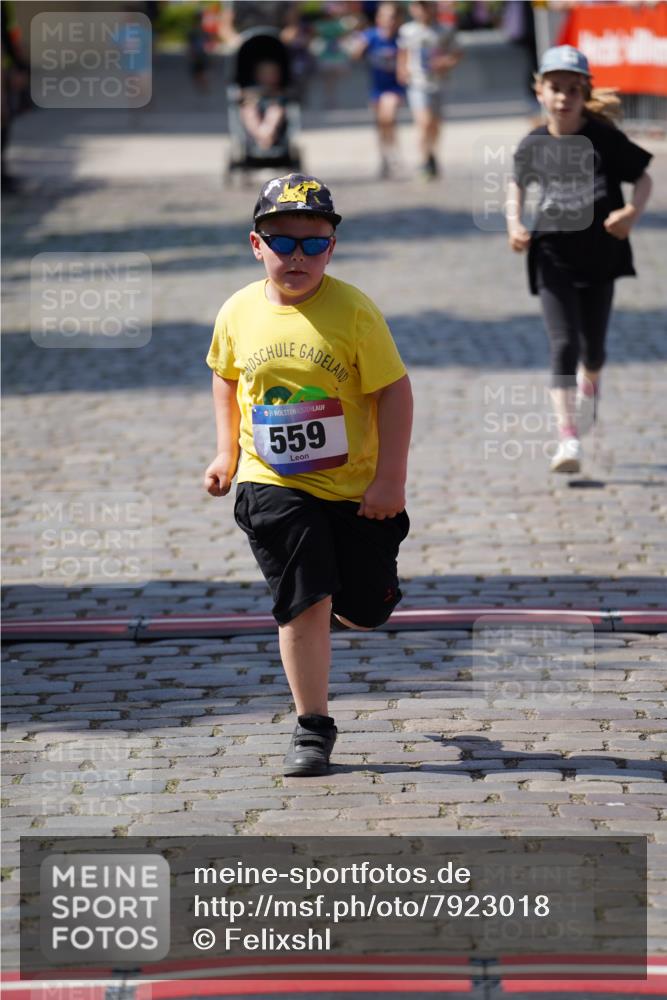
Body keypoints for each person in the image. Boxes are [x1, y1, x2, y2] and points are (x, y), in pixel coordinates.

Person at [203, 173, 412, 777]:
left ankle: (342, 607)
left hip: (354, 489)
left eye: (313, 243)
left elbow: (395, 392)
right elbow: (226, 376)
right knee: (305, 599)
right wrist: (226, 453)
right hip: (272, 481)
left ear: (332, 248)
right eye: (282, 241)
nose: (298, 256)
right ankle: (312, 727)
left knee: (366, 609)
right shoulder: (238, 310)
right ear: (256, 244)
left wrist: (390, 480)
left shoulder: (354, 311)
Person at [506, 45, 653, 475]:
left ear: (585, 92)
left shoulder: (603, 138)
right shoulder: (533, 144)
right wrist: (514, 224)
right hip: (552, 255)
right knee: (564, 344)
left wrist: (631, 213)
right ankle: (567, 438)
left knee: (595, 350)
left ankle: (592, 387)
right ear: (540, 91)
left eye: (573, 88)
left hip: (601, 255)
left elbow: (643, 177)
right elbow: (517, 185)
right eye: (555, 87)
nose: (564, 97)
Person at [396, 0, 461, 180]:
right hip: (417, 82)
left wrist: (446, 62)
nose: (422, 10)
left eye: (426, 5)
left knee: (435, 123)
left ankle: (432, 153)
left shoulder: (445, 29)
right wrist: (402, 70)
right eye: (418, 6)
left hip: (440, 82)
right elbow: (403, 52)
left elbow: (457, 52)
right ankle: (424, 161)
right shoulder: (407, 30)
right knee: (423, 122)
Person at [350, 1, 406, 179]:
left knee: (388, 116)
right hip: (377, 88)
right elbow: (355, 56)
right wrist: (359, 43)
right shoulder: (371, 36)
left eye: (392, 17)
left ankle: (393, 152)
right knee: (382, 123)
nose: (388, 21)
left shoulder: (401, 38)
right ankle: (385, 155)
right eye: (384, 16)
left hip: (395, 86)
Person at [238, 60, 288, 154]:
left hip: (273, 122)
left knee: (275, 111)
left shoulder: (279, 90)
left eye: (272, 74)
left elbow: (284, 99)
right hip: (255, 119)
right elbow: (242, 97)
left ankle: (264, 135)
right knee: (248, 111)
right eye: (265, 74)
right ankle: (262, 137)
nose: (269, 77)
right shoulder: (252, 88)